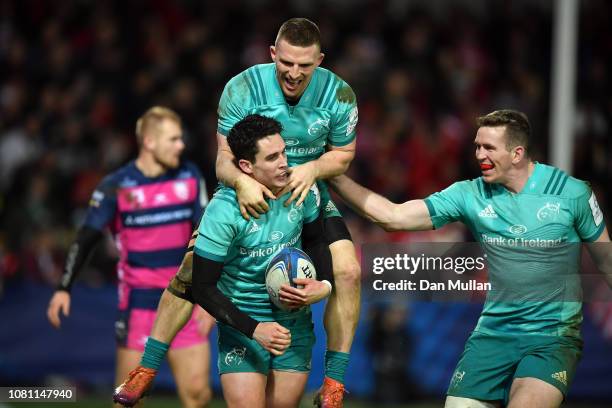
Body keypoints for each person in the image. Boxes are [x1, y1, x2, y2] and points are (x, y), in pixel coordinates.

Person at [115, 18, 360, 408]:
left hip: (305, 192)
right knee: (191, 274)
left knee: (348, 271)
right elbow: (224, 161)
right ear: (272, 54)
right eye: (287, 63)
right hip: (247, 189)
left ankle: (334, 380)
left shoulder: (339, 94)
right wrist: (244, 184)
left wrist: (311, 170)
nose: (295, 73)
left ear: (320, 61)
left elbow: (343, 156)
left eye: (306, 66)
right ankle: (146, 367)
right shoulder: (242, 88)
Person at [328, 109, 611, 408]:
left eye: (489, 147)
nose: (479, 154)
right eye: (477, 146)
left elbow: (606, 261)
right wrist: (333, 176)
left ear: (517, 153)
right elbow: (393, 217)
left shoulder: (572, 193)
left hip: (550, 338)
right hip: (492, 335)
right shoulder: (469, 194)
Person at [47, 106, 213, 408]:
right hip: (139, 306)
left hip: (184, 301)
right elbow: (86, 238)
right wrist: (64, 287)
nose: (182, 145)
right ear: (149, 141)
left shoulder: (189, 176)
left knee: (198, 396)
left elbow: (209, 237)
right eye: (173, 139)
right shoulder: (117, 186)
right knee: (127, 402)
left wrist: (210, 300)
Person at [198, 114, 332, 407]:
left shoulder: (303, 188)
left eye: (284, 152)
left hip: (293, 325)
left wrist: (325, 284)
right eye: (272, 157)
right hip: (243, 326)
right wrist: (255, 329)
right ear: (246, 166)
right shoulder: (223, 210)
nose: (284, 162)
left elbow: (316, 242)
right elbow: (203, 288)